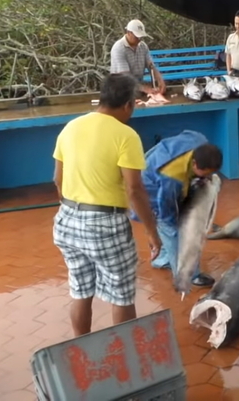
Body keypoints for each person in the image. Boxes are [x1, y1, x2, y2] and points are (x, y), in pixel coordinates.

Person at [52, 73, 163, 337]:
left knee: (80, 291)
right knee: (121, 294)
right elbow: (134, 190)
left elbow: (58, 179)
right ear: (127, 104)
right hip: (105, 225)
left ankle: (82, 346)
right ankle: (125, 354)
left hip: (67, 220)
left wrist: (73, 208)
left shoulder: (71, 127)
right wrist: (151, 232)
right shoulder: (126, 135)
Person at [132, 130, 224, 288]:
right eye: (203, 174)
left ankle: (162, 259)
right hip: (151, 188)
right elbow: (165, 209)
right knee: (172, 231)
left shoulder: (200, 140)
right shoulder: (171, 178)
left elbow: (186, 134)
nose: (206, 177)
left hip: (157, 163)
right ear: (194, 163)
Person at [110, 19, 166, 95]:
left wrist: (160, 80)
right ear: (129, 33)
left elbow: (151, 66)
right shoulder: (118, 48)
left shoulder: (143, 46)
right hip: (121, 89)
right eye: (137, 37)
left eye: (141, 37)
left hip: (137, 87)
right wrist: (144, 88)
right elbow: (125, 78)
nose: (139, 39)